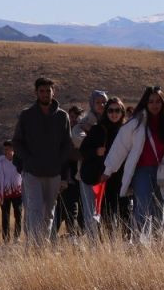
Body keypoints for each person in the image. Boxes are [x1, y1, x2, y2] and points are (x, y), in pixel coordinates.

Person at [102, 86, 164, 239]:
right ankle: (140, 244)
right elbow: (120, 146)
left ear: (163, 102)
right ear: (145, 103)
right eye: (151, 101)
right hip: (142, 172)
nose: (154, 104)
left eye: (158, 101)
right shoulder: (135, 124)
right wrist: (108, 170)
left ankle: (157, 244)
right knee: (142, 209)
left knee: (160, 210)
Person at [11, 77, 74, 245]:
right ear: (36, 93)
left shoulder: (62, 116)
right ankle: (34, 246)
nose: (45, 94)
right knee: (35, 209)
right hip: (32, 172)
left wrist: (60, 166)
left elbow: (67, 145)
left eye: (48, 90)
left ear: (54, 92)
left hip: (54, 173)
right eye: (42, 91)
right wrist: (28, 159)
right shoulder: (27, 115)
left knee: (49, 212)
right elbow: (16, 142)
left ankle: (42, 244)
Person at [81, 97, 128, 238]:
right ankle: (106, 242)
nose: (114, 114)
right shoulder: (98, 129)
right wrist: (96, 152)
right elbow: (83, 150)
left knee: (123, 212)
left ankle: (122, 242)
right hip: (103, 177)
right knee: (106, 212)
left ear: (122, 112)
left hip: (122, 177)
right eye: (110, 110)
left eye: (117, 110)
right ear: (106, 112)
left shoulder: (126, 131)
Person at [71, 92, 108, 236]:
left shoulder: (111, 120)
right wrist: (96, 145)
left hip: (107, 172)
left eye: (104, 102)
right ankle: (93, 242)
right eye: (98, 102)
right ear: (92, 103)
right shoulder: (84, 123)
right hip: (88, 172)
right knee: (90, 209)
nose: (102, 105)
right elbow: (79, 141)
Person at [52, 105, 85, 238]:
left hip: (82, 177)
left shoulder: (84, 135)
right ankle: (70, 235)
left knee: (81, 208)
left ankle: (79, 234)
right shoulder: (63, 135)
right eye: (71, 117)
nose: (74, 120)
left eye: (77, 117)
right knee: (69, 208)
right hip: (67, 178)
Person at [0, 140, 24, 243]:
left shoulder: (19, 160)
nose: (5, 151)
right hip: (4, 193)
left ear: (13, 149)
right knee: (5, 216)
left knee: (18, 214)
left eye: (7, 149)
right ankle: (6, 239)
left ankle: (17, 237)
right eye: (4, 149)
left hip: (18, 193)